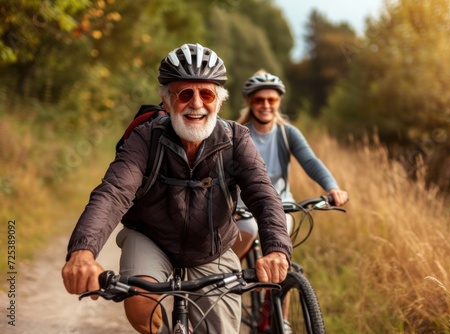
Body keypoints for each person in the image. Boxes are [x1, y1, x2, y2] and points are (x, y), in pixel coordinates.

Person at [61, 44, 292, 334]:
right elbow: (113, 193)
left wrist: (276, 251)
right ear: (167, 102)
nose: (196, 104)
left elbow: (263, 195)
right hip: (151, 238)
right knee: (141, 306)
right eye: (185, 94)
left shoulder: (235, 139)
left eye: (206, 94)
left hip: (211, 247)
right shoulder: (146, 138)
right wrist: (82, 252)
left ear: (218, 101)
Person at [232, 70, 349, 268]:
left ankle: (276, 296)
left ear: (279, 102)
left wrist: (332, 187)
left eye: (272, 100)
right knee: (249, 229)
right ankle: (231, 280)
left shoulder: (287, 133)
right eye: (260, 100)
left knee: (281, 258)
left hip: (280, 205)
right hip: (243, 209)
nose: (266, 105)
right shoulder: (237, 133)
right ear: (250, 102)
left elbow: (310, 161)